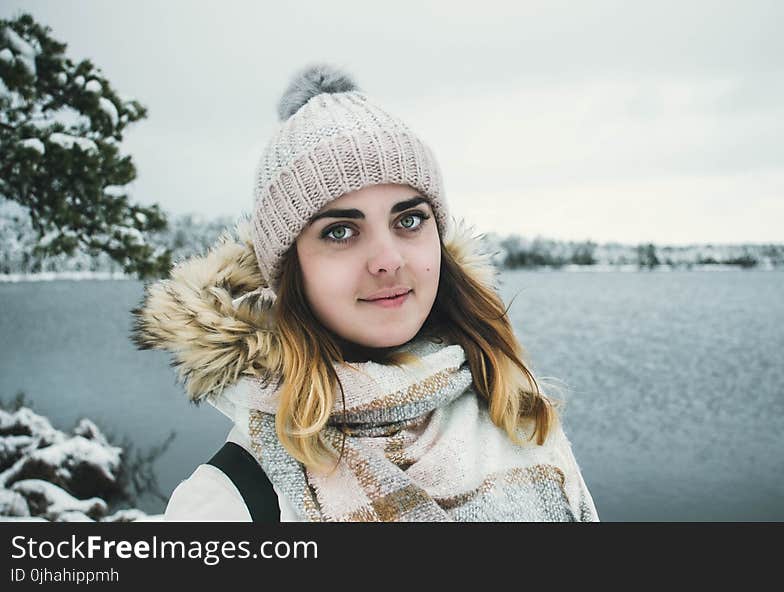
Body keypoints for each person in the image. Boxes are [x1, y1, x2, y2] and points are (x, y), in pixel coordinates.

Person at [131, 63, 599, 522]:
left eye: (409, 220)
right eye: (339, 231)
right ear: (291, 269)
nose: (388, 260)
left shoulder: (516, 411)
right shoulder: (234, 503)